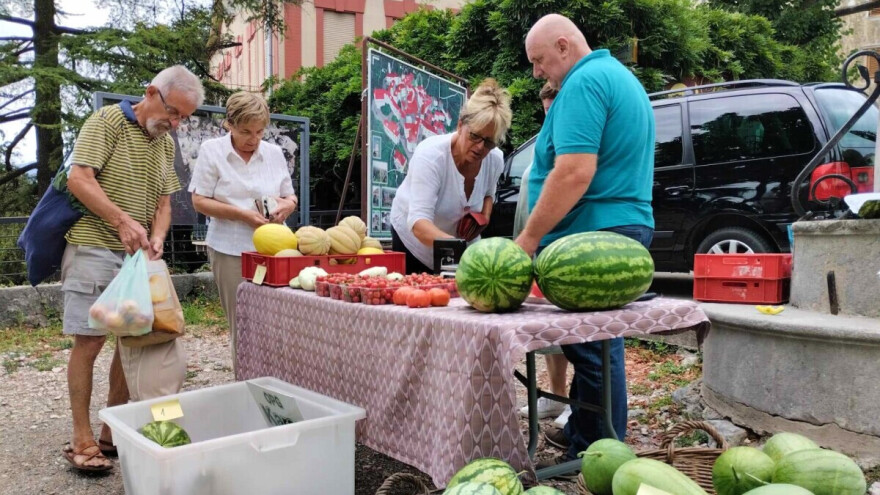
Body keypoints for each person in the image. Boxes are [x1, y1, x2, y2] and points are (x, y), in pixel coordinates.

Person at [517, 14, 655, 471]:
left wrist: (529, 239)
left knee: (595, 349)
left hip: (596, 229)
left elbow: (574, 171)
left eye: (539, 60)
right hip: (618, 225)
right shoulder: (618, 76)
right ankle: (586, 432)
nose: (537, 72)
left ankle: (597, 451)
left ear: (563, 45)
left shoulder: (583, 83)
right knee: (594, 342)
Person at [60, 65, 204, 472]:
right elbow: (80, 178)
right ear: (151, 93)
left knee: (135, 340)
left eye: (183, 118)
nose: (175, 124)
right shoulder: (106, 122)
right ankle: (81, 437)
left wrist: (158, 237)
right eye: (173, 112)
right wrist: (122, 220)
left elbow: (163, 203)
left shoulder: (164, 144)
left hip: (136, 258)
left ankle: (111, 431)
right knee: (89, 342)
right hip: (93, 246)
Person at [189, 91, 297, 375]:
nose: (253, 138)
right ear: (229, 125)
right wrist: (242, 214)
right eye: (245, 131)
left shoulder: (273, 153)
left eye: (260, 131)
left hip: (275, 250)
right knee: (243, 322)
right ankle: (246, 384)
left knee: (280, 320)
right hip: (230, 248)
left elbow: (290, 197)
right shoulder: (212, 150)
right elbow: (199, 200)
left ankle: (280, 382)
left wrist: (284, 208)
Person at [390, 79, 512, 273]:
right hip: (414, 242)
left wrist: (485, 216)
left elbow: (489, 193)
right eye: (475, 136)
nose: (480, 147)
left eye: (489, 142)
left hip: (459, 248)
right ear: (460, 125)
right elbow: (419, 224)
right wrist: (462, 249)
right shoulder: (430, 156)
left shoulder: (495, 159)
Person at [515, 83, 572, 428]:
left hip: (561, 241)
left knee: (569, 329)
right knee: (547, 328)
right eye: (546, 108)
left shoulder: (574, 133)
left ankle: (571, 403)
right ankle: (554, 396)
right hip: (533, 239)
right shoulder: (544, 137)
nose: (550, 114)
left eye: (555, 106)